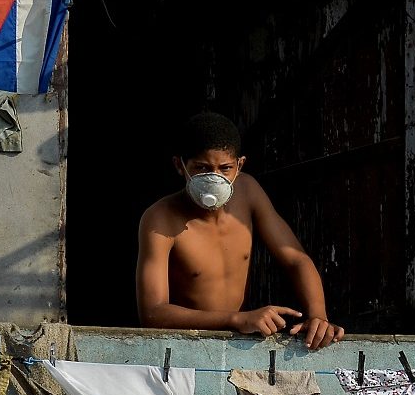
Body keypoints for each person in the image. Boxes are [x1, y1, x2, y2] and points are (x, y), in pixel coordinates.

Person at [136, 111, 345, 350]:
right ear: (180, 166)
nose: (214, 178)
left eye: (225, 168)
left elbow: (296, 259)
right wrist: (237, 319)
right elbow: (153, 313)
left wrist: (318, 315)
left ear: (240, 165)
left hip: (241, 345)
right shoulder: (159, 218)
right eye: (201, 168)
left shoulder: (248, 192)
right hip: (186, 347)